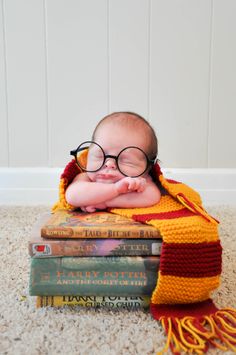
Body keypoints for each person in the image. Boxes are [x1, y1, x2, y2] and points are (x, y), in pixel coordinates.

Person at [65, 112, 161, 212]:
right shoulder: (86, 177)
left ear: (147, 168)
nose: (109, 164)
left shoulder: (138, 181)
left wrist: (104, 202)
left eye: (125, 160)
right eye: (100, 156)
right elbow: (72, 196)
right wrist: (116, 189)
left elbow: (152, 196)